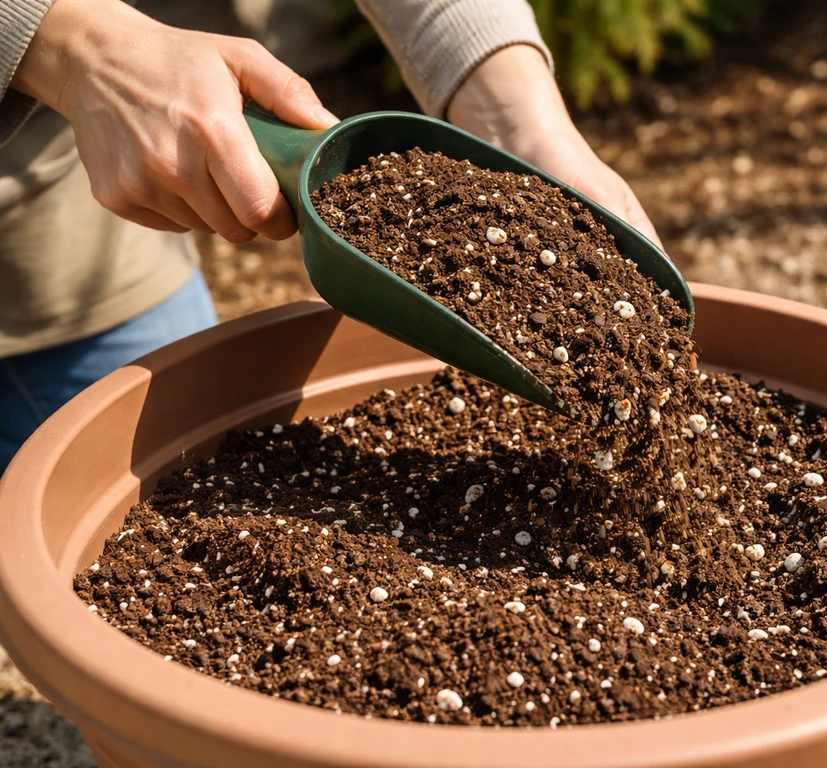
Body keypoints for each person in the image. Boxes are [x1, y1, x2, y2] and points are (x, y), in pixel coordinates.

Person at [0, 0, 662, 475]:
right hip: (32, 186)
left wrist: (518, 122)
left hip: (70, 227)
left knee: (172, 454)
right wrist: (72, 44)